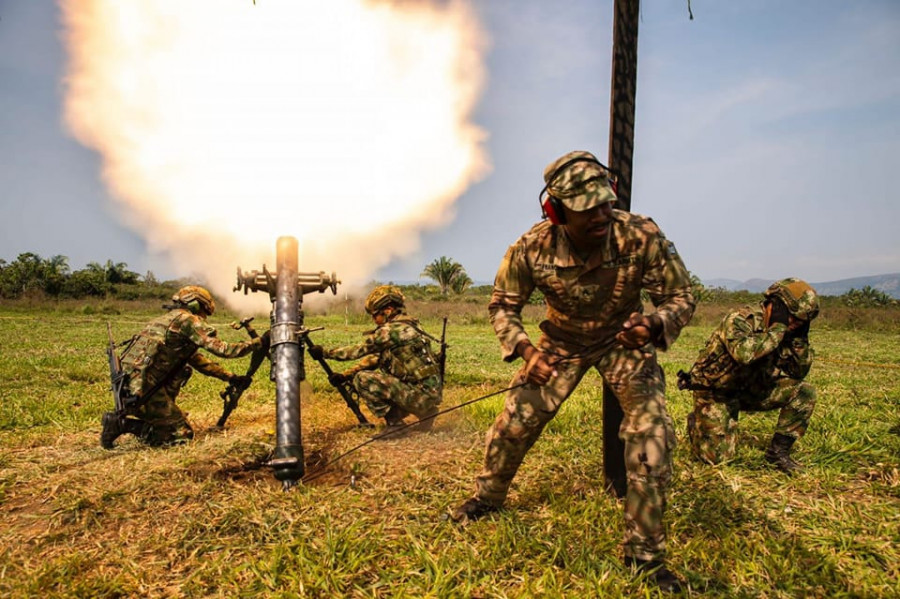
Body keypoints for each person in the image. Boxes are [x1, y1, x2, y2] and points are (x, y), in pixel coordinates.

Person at [449, 150, 695, 592]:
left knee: (651, 436)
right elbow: (503, 305)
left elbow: (681, 296)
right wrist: (527, 352)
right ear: (556, 211)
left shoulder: (641, 234)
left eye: (606, 203)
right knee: (515, 423)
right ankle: (487, 499)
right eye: (587, 210)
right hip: (560, 343)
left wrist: (653, 323)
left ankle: (644, 556)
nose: (601, 215)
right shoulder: (531, 247)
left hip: (624, 340)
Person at [681, 278, 819, 474]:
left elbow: (799, 372)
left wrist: (799, 341)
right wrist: (778, 329)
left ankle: (778, 453)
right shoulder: (739, 319)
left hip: (752, 389)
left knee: (804, 392)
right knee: (717, 462)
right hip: (717, 392)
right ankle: (699, 422)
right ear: (777, 306)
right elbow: (744, 354)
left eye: (801, 323)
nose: (794, 325)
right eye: (792, 318)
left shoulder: (791, 331)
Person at [101, 285, 264, 448]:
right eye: (204, 310)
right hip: (144, 392)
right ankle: (123, 425)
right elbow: (224, 350)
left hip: (131, 387)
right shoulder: (187, 320)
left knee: (183, 369)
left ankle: (159, 418)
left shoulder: (168, 319)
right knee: (182, 436)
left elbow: (197, 360)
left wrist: (230, 377)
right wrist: (255, 344)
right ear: (195, 304)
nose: (204, 316)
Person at [307, 285, 442, 433]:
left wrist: (325, 352)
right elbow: (376, 358)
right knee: (361, 376)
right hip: (428, 395)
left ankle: (396, 425)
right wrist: (345, 376)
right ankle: (425, 412)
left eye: (375, 314)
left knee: (362, 380)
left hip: (419, 396)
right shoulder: (412, 325)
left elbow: (359, 350)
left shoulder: (391, 331)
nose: (373, 319)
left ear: (388, 310)